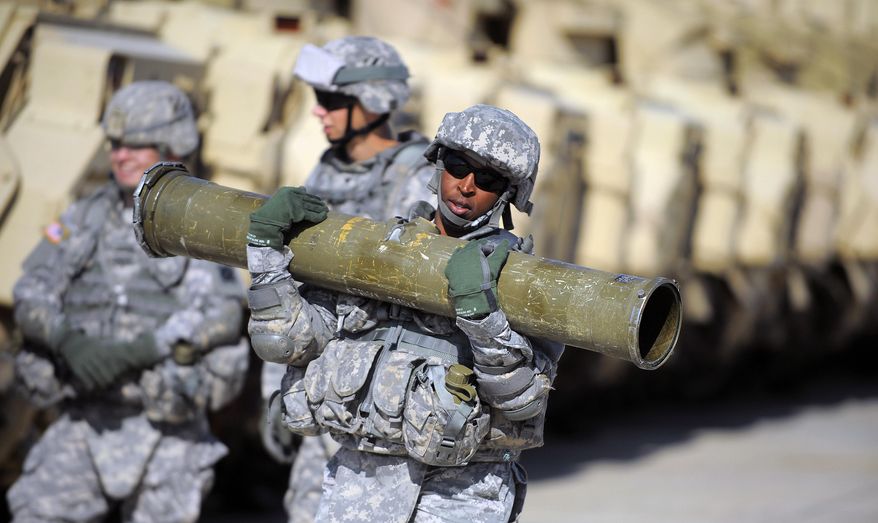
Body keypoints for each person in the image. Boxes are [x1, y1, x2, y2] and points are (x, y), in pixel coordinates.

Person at [246, 104, 563, 522]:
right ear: (438, 165)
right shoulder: (380, 250)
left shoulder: (524, 283)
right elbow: (291, 340)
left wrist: (482, 316)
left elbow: (523, 400)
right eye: (458, 166)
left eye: (487, 179)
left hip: (461, 494)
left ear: (508, 195)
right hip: (359, 487)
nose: (466, 186)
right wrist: (265, 254)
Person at [7, 81, 250, 523]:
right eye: (115, 144)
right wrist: (68, 340)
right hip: (86, 417)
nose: (119, 155)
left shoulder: (196, 226)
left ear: (170, 144)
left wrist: (139, 351)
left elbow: (222, 314)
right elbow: (31, 291)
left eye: (135, 145)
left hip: (167, 430)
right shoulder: (82, 218)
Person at [258, 35, 436, 523]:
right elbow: (291, 290)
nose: (319, 112)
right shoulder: (326, 171)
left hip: (380, 405)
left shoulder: (416, 178)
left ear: (373, 101)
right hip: (322, 391)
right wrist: (275, 388)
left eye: (331, 100)